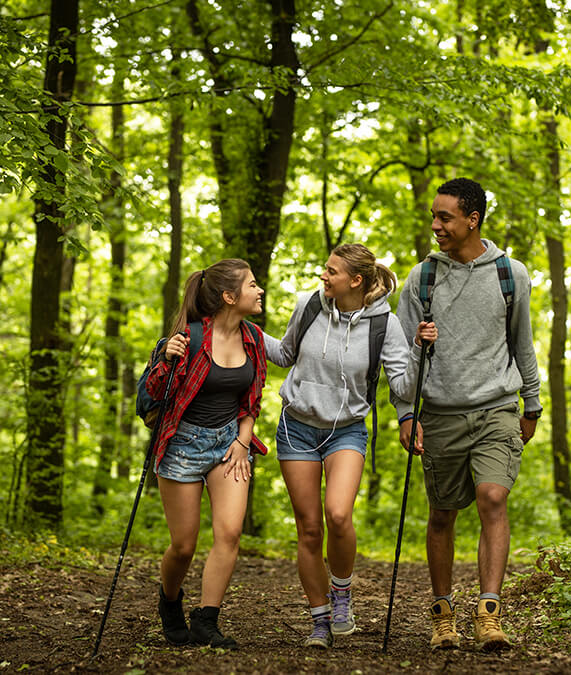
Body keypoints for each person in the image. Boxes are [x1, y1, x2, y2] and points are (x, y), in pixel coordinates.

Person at [393, 178, 542, 652]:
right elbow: (400, 357)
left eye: (445, 217)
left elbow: (523, 343)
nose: (435, 225)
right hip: (438, 413)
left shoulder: (510, 274)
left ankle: (489, 615)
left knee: (492, 497)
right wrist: (404, 413)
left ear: (472, 219)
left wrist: (532, 403)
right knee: (442, 515)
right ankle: (443, 617)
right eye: (434, 216)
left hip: (498, 407)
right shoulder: (422, 278)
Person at [264, 243, 437, 649]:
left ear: (355, 281)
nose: (323, 276)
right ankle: (320, 620)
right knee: (308, 529)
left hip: (346, 430)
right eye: (325, 269)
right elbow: (285, 353)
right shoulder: (309, 305)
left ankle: (341, 593)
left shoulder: (384, 324)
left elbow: (403, 387)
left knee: (338, 515)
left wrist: (418, 350)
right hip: (297, 427)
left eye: (332, 272)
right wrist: (240, 327)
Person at [145, 258, 267, 649]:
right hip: (182, 446)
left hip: (228, 445)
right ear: (229, 297)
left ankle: (206, 619)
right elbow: (152, 397)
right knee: (183, 545)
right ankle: (169, 602)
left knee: (230, 533)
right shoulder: (190, 339)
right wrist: (166, 358)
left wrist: (242, 441)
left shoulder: (254, 339)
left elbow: (252, 401)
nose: (259, 290)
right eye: (252, 285)